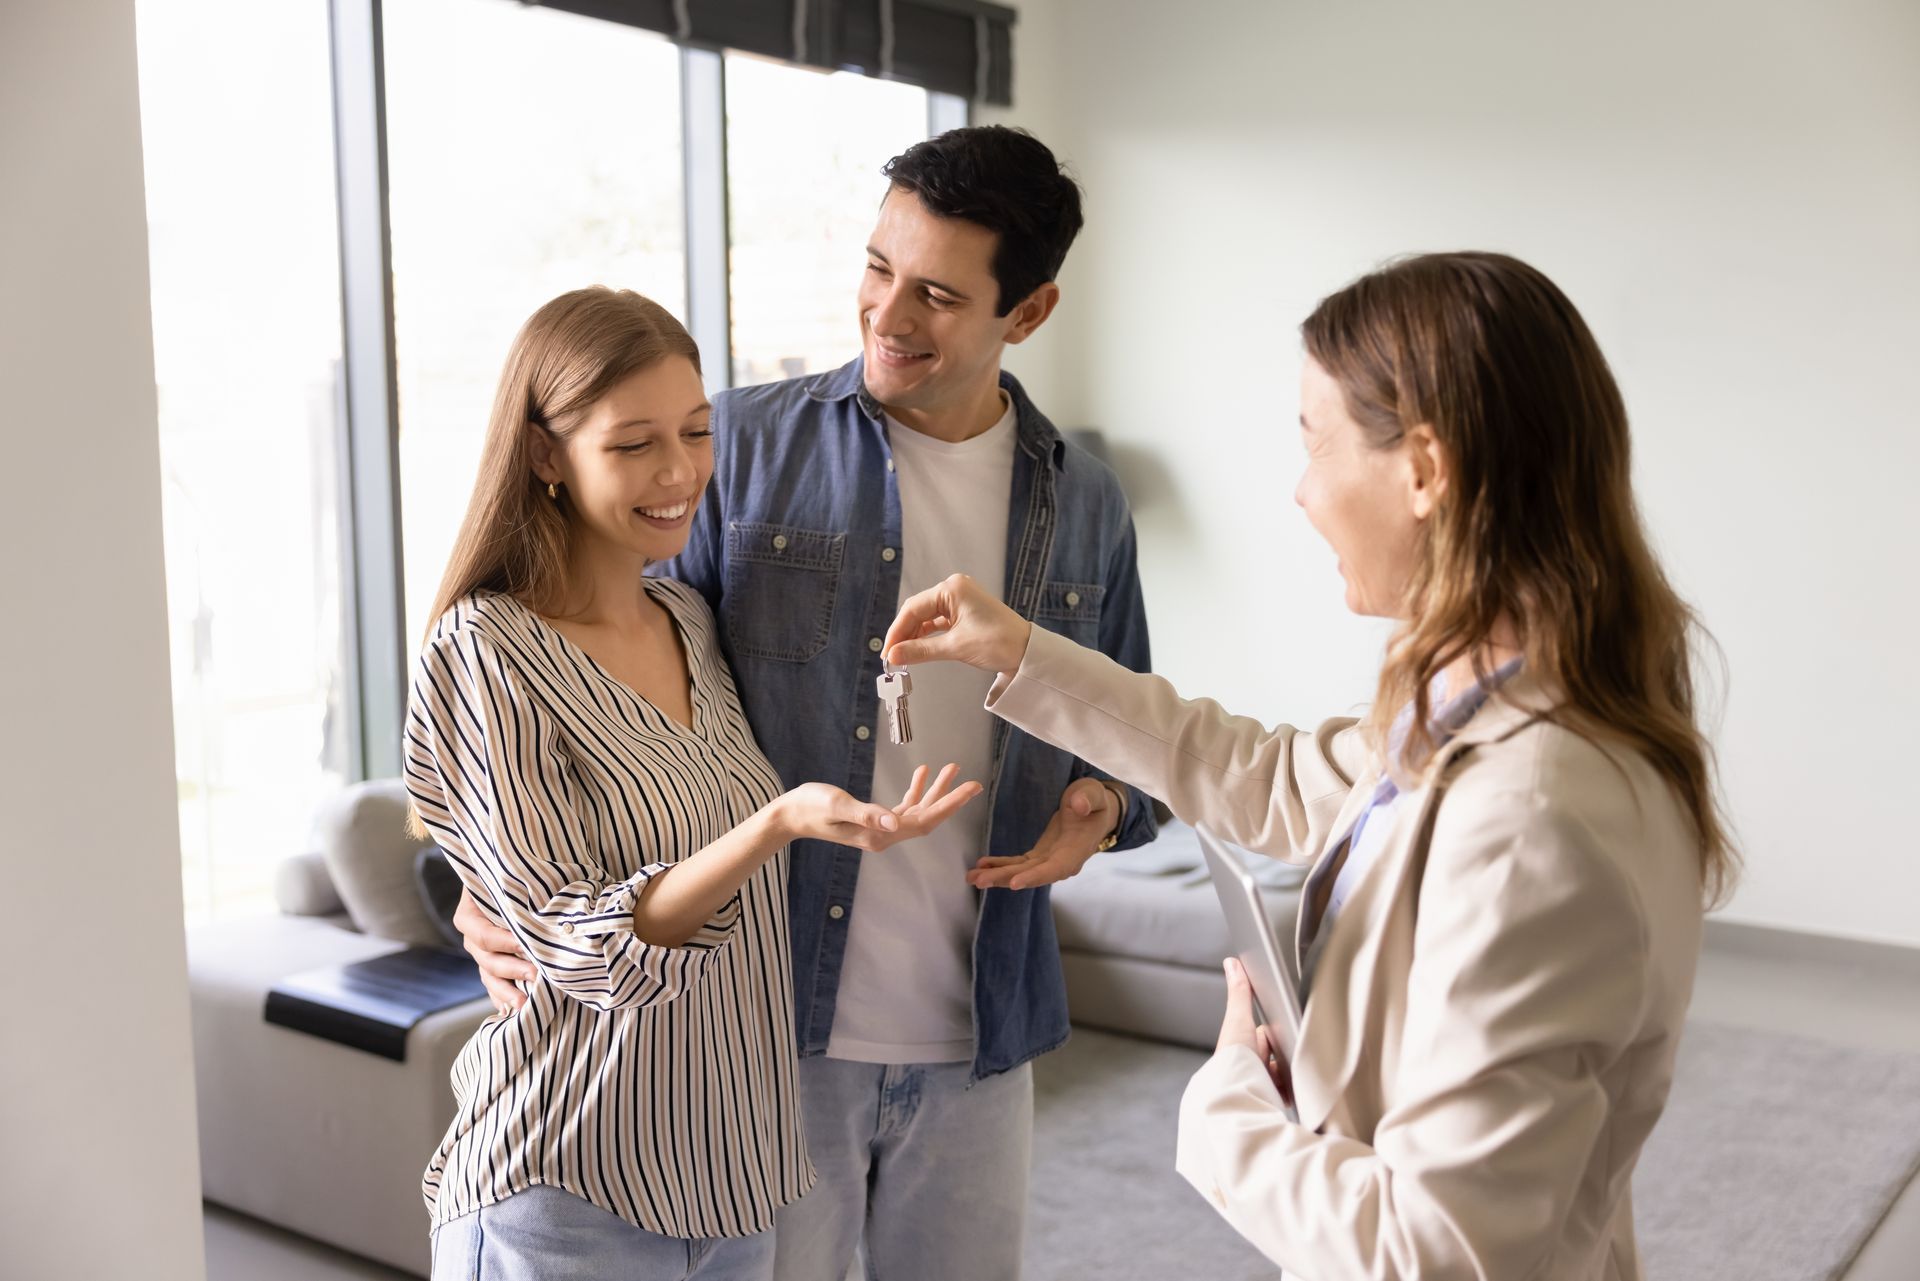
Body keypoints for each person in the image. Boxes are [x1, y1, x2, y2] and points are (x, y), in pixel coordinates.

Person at [882, 251, 1735, 1280]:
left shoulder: (1528, 819)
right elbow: (1272, 779)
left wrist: (1229, 1099)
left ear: (1424, 469)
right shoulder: (1480, 704)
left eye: (1316, 444)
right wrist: (1019, 649)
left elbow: (1437, 1250)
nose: (1300, 492)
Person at [454, 125, 1159, 1280]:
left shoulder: (1086, 504)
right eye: (879, 267)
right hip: (766, 1031)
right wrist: (488, 893)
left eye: (937, 292)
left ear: (1026, 314)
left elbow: (1131, 734)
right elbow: (571, 682)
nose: (888, 313)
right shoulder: (733, 449)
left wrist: (1102, 806)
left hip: (984, 1039)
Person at [404, 287, 980, 1280]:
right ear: (546, 453)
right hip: (576, 1177)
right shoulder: (486, 648)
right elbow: (581, 945)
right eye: (632, 444)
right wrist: (777, 825)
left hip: (736, 1179)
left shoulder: (690, 620)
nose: (679, 473)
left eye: (697, 432)